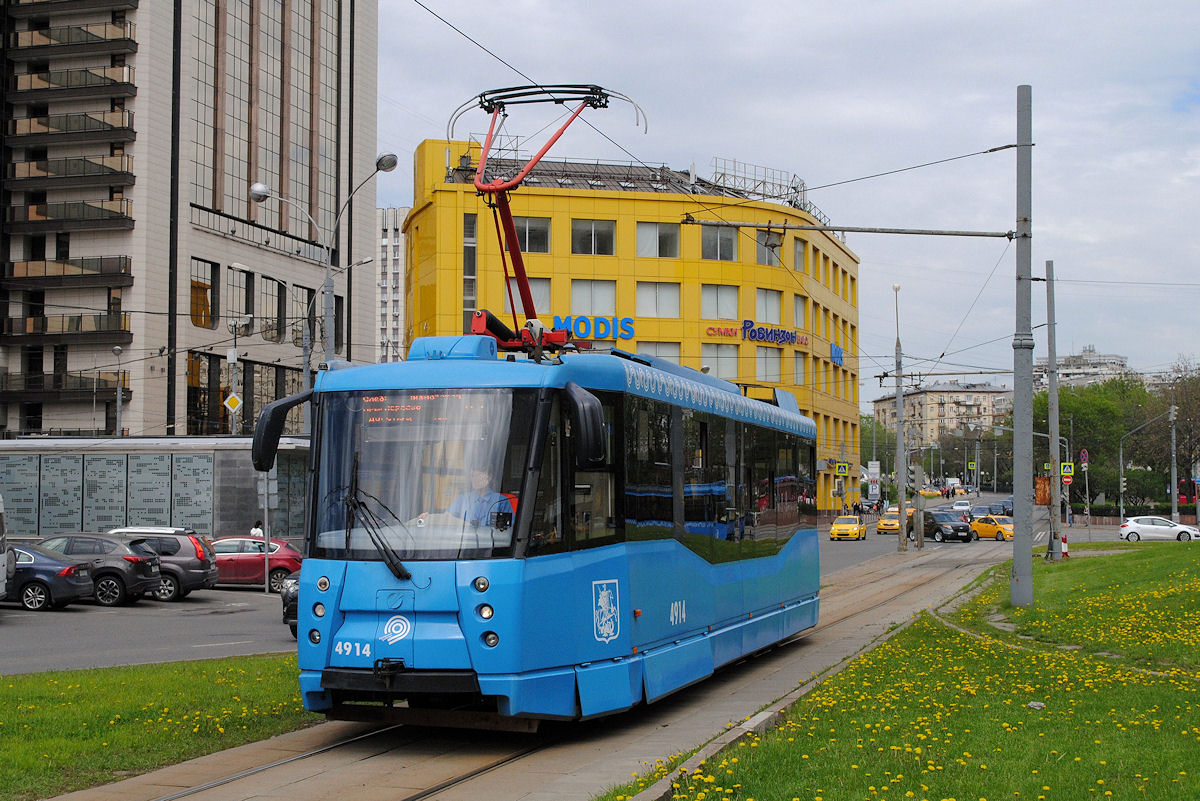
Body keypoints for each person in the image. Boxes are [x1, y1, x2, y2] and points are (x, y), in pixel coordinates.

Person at [444, 469, 514, 527]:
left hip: (490, 542)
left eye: (479, 475)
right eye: (472, 475)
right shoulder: (463, 499)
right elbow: (446, 519)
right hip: (465, 541)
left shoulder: (501, 501)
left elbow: (506, 530)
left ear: (489, 477)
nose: (475, 479)